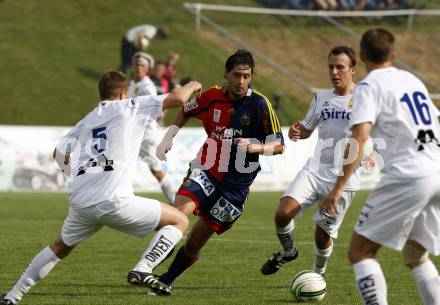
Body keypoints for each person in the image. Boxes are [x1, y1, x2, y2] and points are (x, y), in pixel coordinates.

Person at [0, 71, 203, 305]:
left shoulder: (87, 119)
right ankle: (143, 268)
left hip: (82, 201)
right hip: (114, 200)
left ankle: (13, 296)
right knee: (179, 220)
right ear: (123, 93)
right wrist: (194, 83)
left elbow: (59, 153)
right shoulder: (130, 106)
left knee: (60, 247)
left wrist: (75, 177)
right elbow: (179, 97)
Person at [138, 49, 285, 296]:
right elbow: (186, 109)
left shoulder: (260, 104)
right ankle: (144, 267)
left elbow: (279, 145)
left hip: (235, 189)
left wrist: (256, 147)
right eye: (236, 75)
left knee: (195, 242)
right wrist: (169, 135)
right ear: (227, 74)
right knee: (178, 216)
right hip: (206, 170)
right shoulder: (212, 96)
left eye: (246, 76)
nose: (241, 81)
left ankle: (165, 280)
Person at [321, 28, 440, 305]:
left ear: (361, 56)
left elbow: (360, 137)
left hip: (410, 174)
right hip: (437, 169)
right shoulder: (411, 79)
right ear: (394, 55)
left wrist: (338, 188)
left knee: (360, 253)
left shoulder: (369, 86)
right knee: (415, 254)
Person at [260, 46, 375, 276]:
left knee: (322, 236)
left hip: (344, 179)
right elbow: (306, 129)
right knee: (282, 214)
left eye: (340, 67)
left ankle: (317, 273)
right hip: (315, 170)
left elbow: (381, 132)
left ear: (353, 69)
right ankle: (288, 251)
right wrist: (297, 131)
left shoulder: (365, 98)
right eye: (331, 67)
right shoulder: (321, 97)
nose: (334, 72)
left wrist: (373, 154)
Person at [130, 52, 175, 204]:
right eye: (136, 64)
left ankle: (174, 201)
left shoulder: (147, 87)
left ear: (147, 69)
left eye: (142, 65)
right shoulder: (132, 84)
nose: (138, 68)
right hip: (133, 134)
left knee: (156, 170)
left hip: (145, 135)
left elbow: (154, 109)